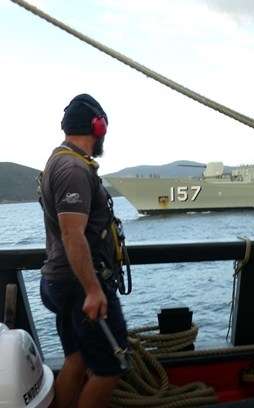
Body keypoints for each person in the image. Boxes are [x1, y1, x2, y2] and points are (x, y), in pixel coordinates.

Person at [39, 94, 128, 408]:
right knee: (110, 368)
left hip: (62, 282)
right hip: (81, 286)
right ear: (98, 126)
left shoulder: (60, 161)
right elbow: (72, 234)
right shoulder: (73, 169)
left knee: (76, 359)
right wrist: (93, 289)